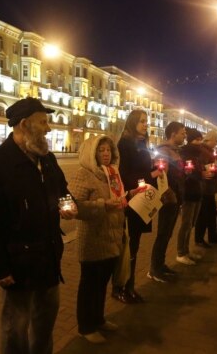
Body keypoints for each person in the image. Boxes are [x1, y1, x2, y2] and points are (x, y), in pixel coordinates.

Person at [0, 97, 77, 354]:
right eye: (43, 122)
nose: (49, 129)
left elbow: (62, 191)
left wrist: (69, 204)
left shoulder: (47, 159)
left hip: (49, 258)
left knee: (45, 323)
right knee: (15, 328)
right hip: (17, 265)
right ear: (25, 124)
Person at [68, 135, 125, 344]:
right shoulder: (83, 175)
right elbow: (75, 207)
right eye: (101, 150)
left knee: (102, 284)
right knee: (89, 286)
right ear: (91, 153)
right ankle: (85, 326)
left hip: (111, 237)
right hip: (93, 239)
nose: (106, 153)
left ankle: (98, 319)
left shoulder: (113, 174)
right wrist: (103, 205)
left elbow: (119, 199)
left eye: (109, 149)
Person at [114, 109, 163, 303]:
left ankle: (129, 286)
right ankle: (121, 287)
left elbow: (142, 168)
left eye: (146, 121)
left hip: (143, 200)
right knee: (127, 247)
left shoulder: (142, 143)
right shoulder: (124, 144)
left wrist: (157, 170)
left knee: (134, 246)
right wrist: (150, 176)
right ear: (133, 122)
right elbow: (124, 174)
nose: (145, 124)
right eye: (142, 121)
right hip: (131, 200)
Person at [148, 121, 186, 282]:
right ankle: (154, 269)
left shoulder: (175, 151)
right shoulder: (163, 151)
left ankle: (161, 264)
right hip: (168, 197)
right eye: (182, 132)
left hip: (176, 196)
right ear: (173, 134)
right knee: (163, 232)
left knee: (168, 232)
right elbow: (160, 176)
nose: (185, 135)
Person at [174, 128, 204, 265]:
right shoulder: (184, 153)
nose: (200, 142)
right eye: (197, 139)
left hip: (197, 191)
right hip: (188, 193)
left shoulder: (197, 155)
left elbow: (198, 171)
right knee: (185, 224)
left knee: (191, 224)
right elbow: (184, 174)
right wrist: (198, 174)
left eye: (200, 139)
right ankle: (180, 253)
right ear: (191, 140)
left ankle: (186, 251)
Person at [195, 131, 217, 247]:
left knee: (211, 213)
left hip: (210, 187)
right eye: (216, 140)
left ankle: (212, 236)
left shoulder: (208, 151)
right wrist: (213, 172)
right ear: (209, 139)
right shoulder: (203, 151)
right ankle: (200, 239)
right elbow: (202, 168)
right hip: (205, 188)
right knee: (203, 215)